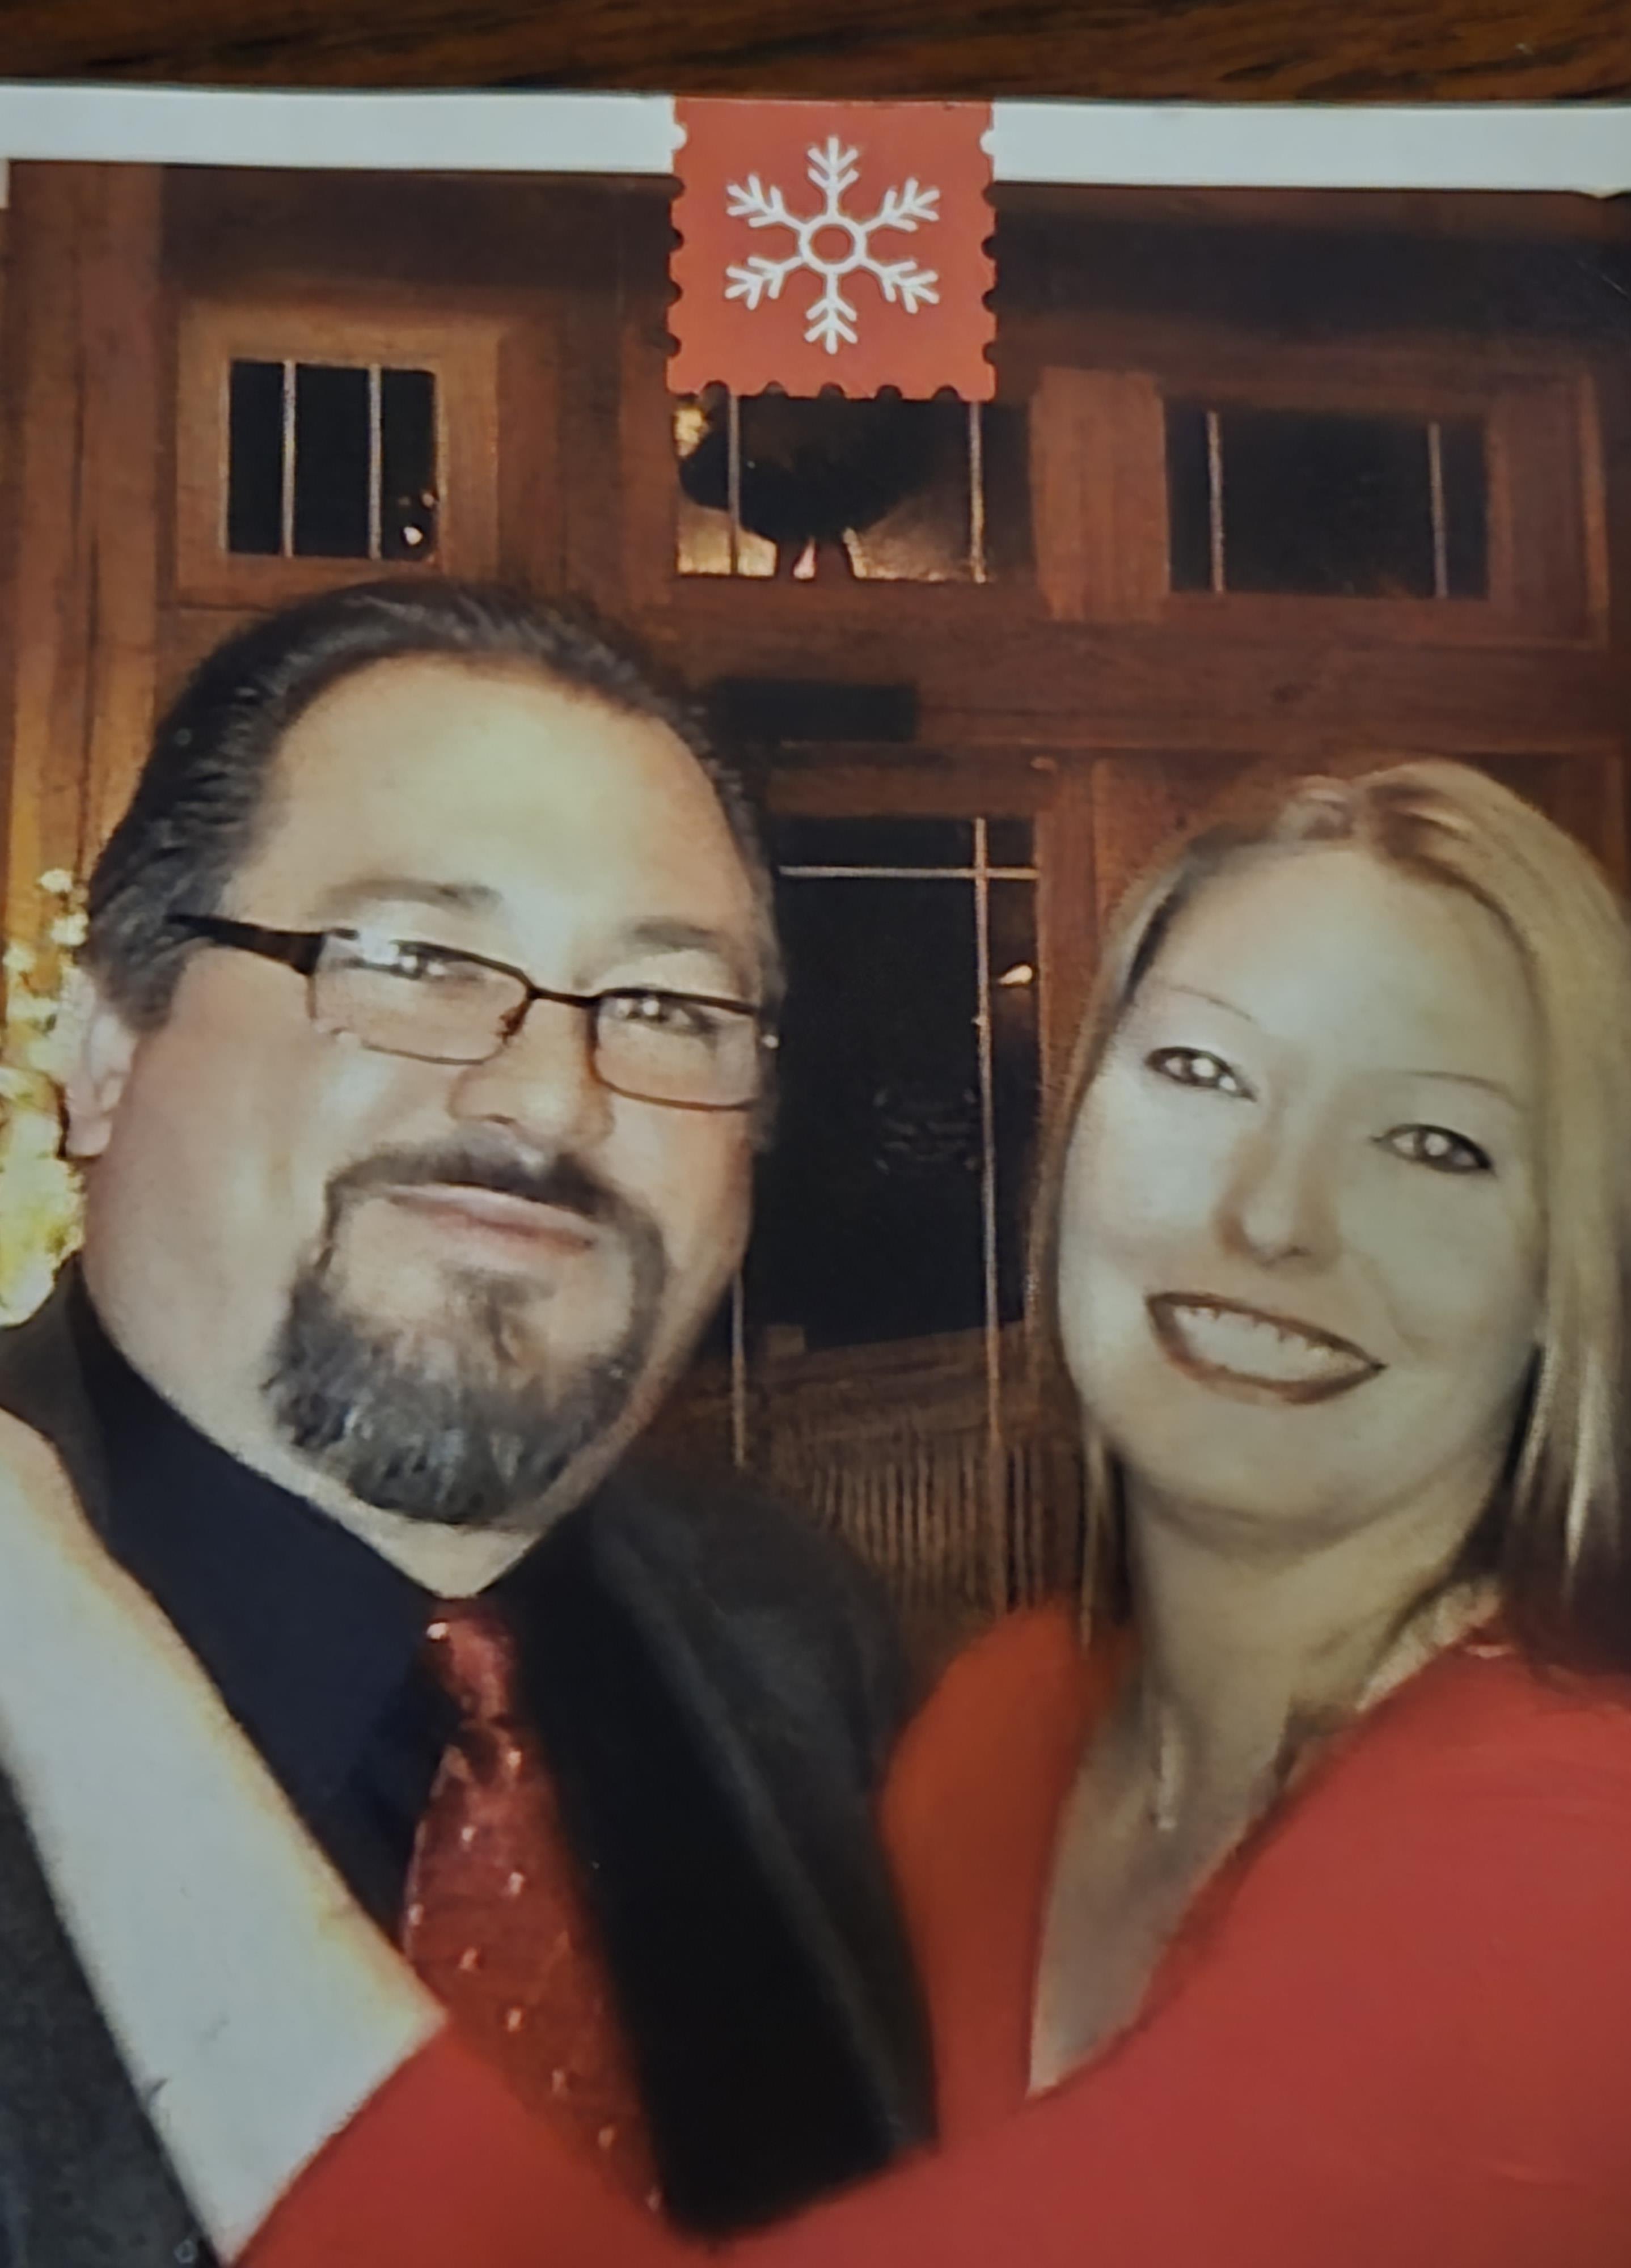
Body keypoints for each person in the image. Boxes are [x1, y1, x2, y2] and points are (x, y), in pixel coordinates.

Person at [2, 756, 1631, 2267]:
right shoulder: (979, 1727)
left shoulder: (1619, 1875)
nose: (1270, 1218)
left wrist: (62, 1639)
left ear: (1575, 1277)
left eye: (1439, 1147)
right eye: (1200, 1071)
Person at [0, 579, 932, 2267]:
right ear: (104, 1041)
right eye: (413, 959)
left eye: (664, 1008)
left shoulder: (812, 1654)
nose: (547, 1096)